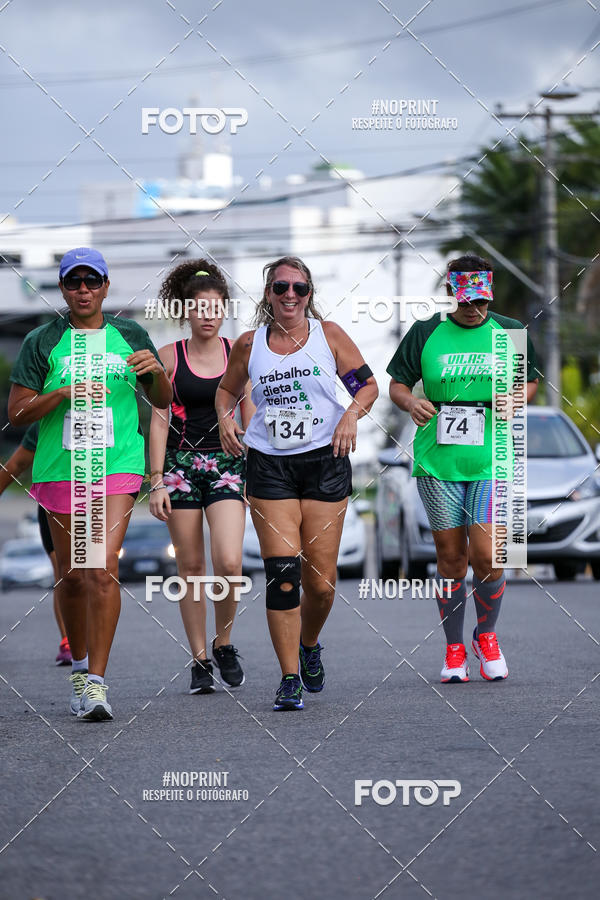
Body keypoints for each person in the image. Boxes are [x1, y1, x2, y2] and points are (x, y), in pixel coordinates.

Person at [8, 247, 172, 721]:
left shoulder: (130, 334)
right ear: (62, 288)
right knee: (74, 576)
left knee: (101, 570)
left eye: (92, 281)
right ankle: (79, 668)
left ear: (105, 286)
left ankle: (97, 683)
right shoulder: (42, 341)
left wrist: (157, 373)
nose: (84, 290)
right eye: (74, 282)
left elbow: (162, 398)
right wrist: (59, 393)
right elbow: (16, 413)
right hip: (62, 469)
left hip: (117, 466)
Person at [216, 256, 378, 710]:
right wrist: (226, 418)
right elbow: (226, 390)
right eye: (281, 287)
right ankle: (289, 676)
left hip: (326, 461)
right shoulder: (251, 345)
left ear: (309, 294)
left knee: (321, 585)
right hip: (270, 465)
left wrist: (350, 415)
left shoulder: (328, 336)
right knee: (282, 576)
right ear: (267, 294)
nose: (290, 296)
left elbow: (367, 386)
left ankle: (309, 644)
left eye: (299, 289)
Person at [387, 252, 538, 683]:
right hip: (438, 460)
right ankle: (454, 649)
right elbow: (397, 382)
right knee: (451, 558)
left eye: (482, 302)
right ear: (452, 293)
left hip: (492, 459)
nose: (475, 310)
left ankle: (486, 635)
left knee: (489, 555)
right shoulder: (426, 332)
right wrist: (411, 401)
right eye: (467, 301)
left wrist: (516, 396)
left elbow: (528, 380)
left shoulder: (508, 330)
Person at [149, 260, 253, 694]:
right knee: (190, 566)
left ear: (224, 310)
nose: (208, 315)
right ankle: (198, 659)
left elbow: (250, 417)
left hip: (228, 466)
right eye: (199, 308)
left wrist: (253, 473)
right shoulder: (169, 356)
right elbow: (156, 420)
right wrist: (155, 480)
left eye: (215, 308)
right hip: (179, 470)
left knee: (229, 561)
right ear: (186, 311)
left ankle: (224, 640)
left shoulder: (238, 353)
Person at [0, 422, 69, 664]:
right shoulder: (44, 423)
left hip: (97, 498)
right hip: (53, 501)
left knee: (94, 572)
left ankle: (92, 634)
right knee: (64, 572)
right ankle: (68, 641)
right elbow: (16, 465)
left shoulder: (115, 410)